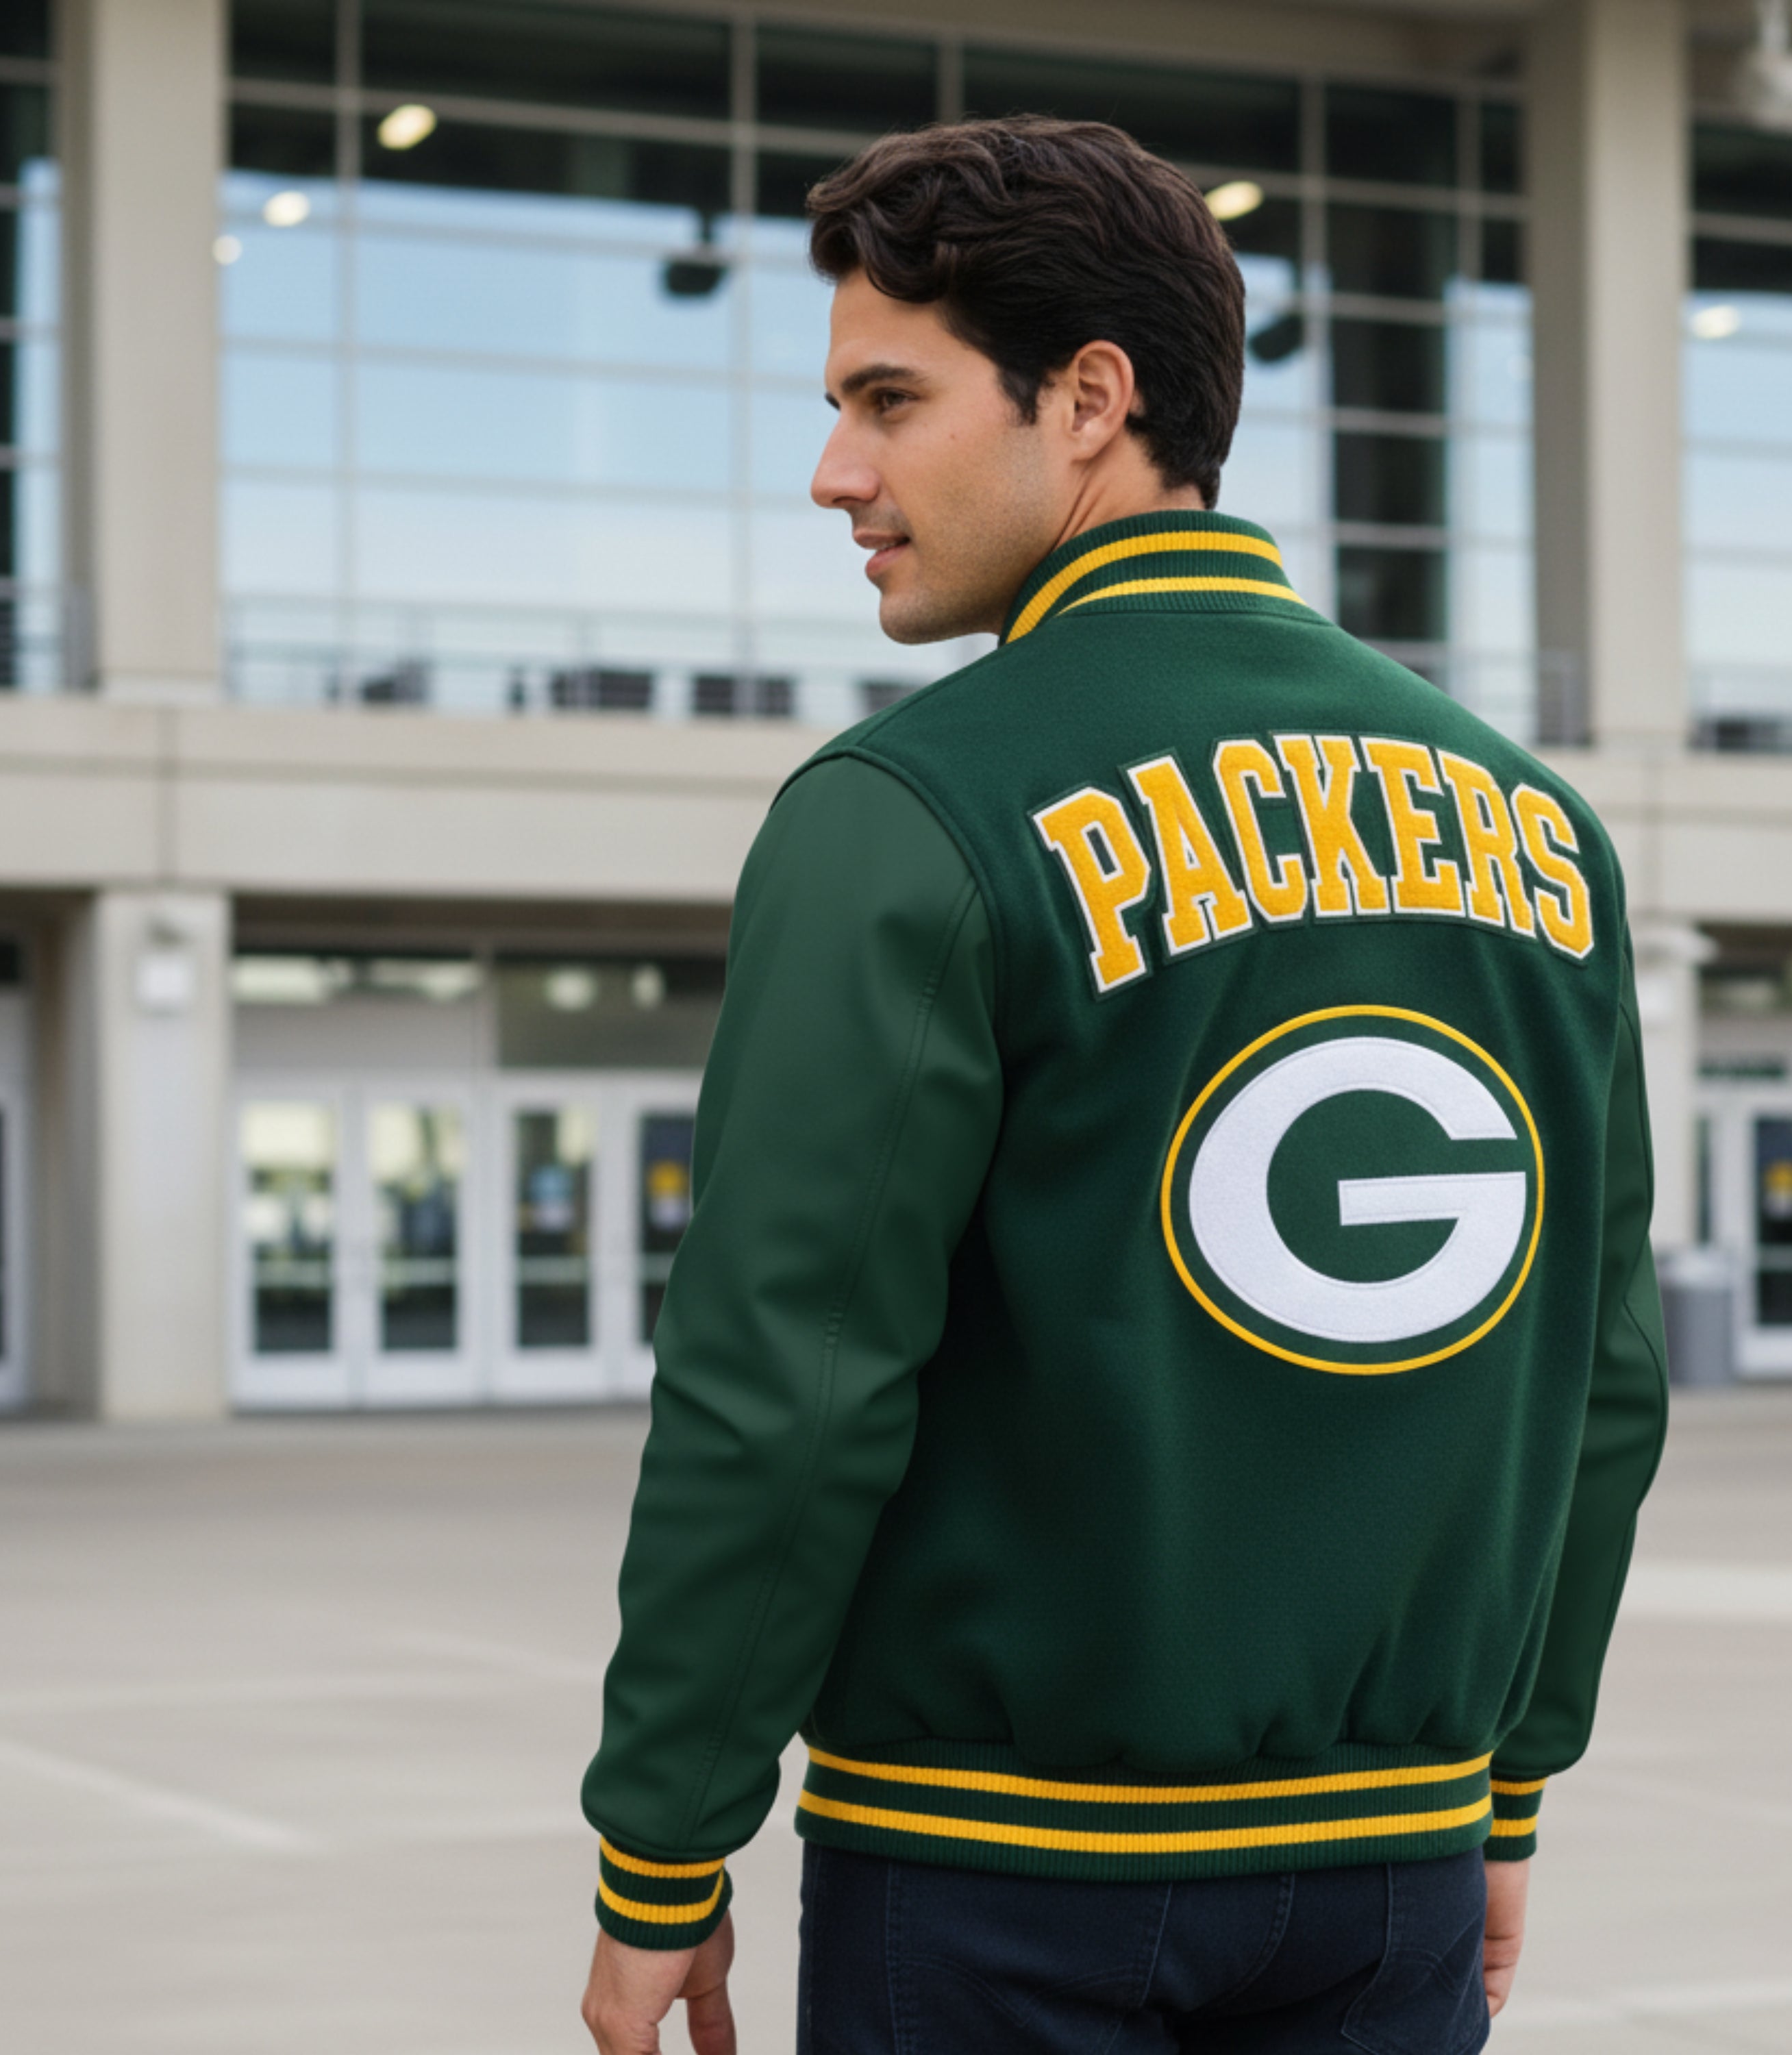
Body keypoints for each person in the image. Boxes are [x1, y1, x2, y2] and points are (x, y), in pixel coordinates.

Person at [580, 116, 1667, 2055]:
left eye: (889, 401)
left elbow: (788, 1387)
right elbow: (1596, 1368)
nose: (839, 474)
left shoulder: (908, 813)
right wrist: (1508, 1780)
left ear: (1089, 401)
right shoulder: (1540, 827)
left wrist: (664, 1844)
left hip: (998, 1879)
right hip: (1395, 1869)